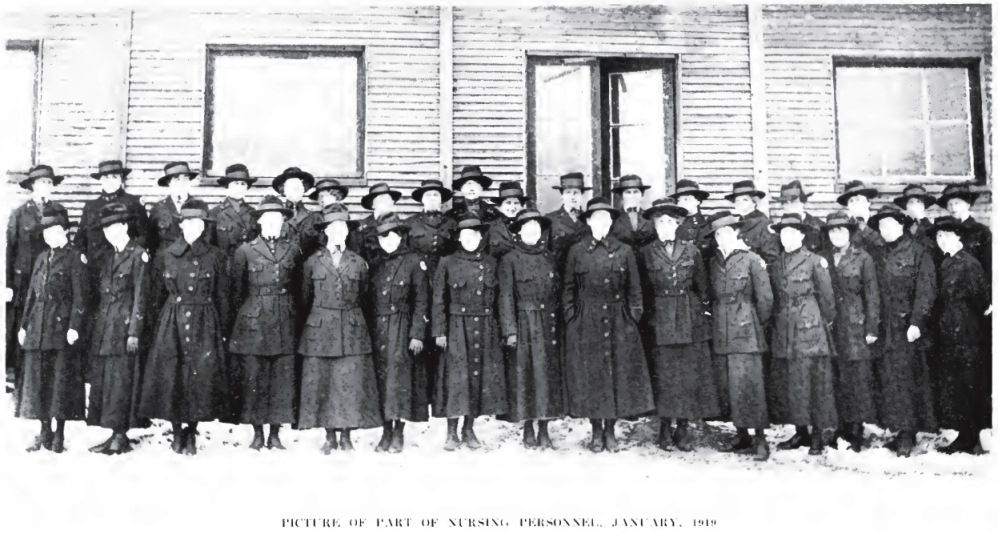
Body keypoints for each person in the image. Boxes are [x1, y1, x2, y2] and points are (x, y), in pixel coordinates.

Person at [138, 199, 230, 456]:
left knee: (199, 377)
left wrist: (222, 328)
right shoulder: (165, 255)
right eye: (188, 222)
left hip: (205, 320)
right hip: (172, 320)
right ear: (181, 226)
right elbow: (155, 295)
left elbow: (223, 294)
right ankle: (177, 432)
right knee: (173, 376)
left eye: (198, 223)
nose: (193, 227)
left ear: (204, 227)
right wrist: (156, 327)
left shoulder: (215, 256)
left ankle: (191, 432)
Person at [562, 198, 654, 453]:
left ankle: (611, 430)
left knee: (616, 376)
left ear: (611, 222)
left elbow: (635, 290)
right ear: (589, 222)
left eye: (606, 218)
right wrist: (572, 317)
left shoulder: (624, 251)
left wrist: (632, 316)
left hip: (618, 320)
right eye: (596, 218)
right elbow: (568, 288)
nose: (601, 223)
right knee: (592, 377)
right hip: (586, 320)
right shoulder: (577, 251)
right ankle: (596, 431)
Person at [296, 206, 382, 453]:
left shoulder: (358, 262)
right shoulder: (312, 262)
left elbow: (365, 298)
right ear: (325, 232)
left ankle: (346, 436)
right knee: (324, 384)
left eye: (342, 228)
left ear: (347, 233)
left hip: (352, 330)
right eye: (332, 228)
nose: (337, 233)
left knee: (349, 385)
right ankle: (329, 436)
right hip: (320, 331)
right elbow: (304, 299)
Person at [637, 199, 718, 452]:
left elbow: (702, 286)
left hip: (688, 318)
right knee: (664, 375)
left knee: (685, 376)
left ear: (677, 224)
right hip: (659, 319)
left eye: (669, 222)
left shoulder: (691, 251)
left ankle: (682, 427)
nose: (664, 227)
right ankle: (664, 426)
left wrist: (702, 315)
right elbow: (642, 290)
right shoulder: (646, 252)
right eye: (660, 222)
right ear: (654, 226)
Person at [228, 196, 300, 450]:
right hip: (253, 321)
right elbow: (236, 292)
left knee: (281, 377)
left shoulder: (293, 249)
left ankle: (276, 433)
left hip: (284, 319)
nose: (272, 223)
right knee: (255, 378)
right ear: (259, 222)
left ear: (282, 223)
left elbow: (299, 288)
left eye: (277, 219)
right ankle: (257, 433)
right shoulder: (245, 251)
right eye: (267, 219)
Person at [431, 214, 507, 450]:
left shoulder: (491, 263)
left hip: (485, 327)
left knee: (477, 379)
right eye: (465, 235)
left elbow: (500, 300)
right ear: (459, 238)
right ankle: (451, 432)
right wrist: (439, 331)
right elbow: (438, 300)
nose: (470, 239)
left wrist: (502, 330)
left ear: (480, 237)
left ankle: (469, 429)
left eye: (474, 235)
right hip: (456, 327)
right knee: (456, 380)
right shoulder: (447, 262)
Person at [15, 203, 87, 453]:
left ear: (65, 232)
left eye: (56, 231)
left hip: (60, 326)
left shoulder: (75, 257)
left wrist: (74, 326)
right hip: (38, 325)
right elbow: (31, 296)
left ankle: (59, 434)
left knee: (60, 381)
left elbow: (81, 297)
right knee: (40, 381)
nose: (51, 236)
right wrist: (24, 325)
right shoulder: (41, 258)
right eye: (47, 232)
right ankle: (44, 430)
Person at [867, 203, 937, 457]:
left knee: (907, 381)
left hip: (907, 328)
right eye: (881, 226)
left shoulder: (919, 252)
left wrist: (917, 322)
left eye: (890, 225)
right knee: (890, 379)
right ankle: (898, 431)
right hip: (885, 329)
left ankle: (908, 434)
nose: (885, 230)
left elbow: (926, 291)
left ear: (901, 225)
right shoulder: (877, 254)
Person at [768, 213, 838, 456]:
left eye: (792, 233)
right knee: (793, 384)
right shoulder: (776, 265)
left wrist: (821, 322)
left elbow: (827, 299)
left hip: (810, 328)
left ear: (801, 235)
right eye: (783, 233)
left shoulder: (815, 261)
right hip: (785, 329)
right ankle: (801, 432)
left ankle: (818, 436)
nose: (787, 237)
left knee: (815, 384)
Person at [85, 203, 151, 455]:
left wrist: (134, 331)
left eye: (116, 226)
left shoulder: (138, 255)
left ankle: (121, 435)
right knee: (107, 382)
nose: (112, 232)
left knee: (122, 382)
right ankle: (113, 432)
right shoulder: (108, 256)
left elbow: (140, 297)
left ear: (125, 226)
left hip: (124, 330)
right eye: (107, 229)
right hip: (105, 329)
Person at [708, 211, 773, 461]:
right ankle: (741, 434)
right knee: (730, 387)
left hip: (747, 332)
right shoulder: (714, 262)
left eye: (725, 233)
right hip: (722, 331)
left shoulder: (752, 259)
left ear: (736, 232)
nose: (721, 238)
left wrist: (755, 324)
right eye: (717, 234)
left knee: (750, 387)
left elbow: (765, 299)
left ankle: (760, 440)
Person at [498, 209, 565, 449]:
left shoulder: (549, 257)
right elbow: (505, 296)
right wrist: (510, 330)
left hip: (548, 323)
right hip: (524, 323)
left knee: (545, 377)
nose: (532, 232)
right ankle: (527, 426)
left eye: (536, 228)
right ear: (519, 232)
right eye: (527, 228)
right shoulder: (509, 260)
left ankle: (544, 428)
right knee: (524, 376)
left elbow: (557, 292)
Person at [367, 214, 430, 453]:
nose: (388, 241)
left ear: (400, 237)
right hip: (378, 328)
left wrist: (417, 334)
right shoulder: (375, 263)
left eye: (392, 236)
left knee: (400, 380)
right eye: (383, 237)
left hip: (403, 328)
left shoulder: (414, 262)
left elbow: (421, 300)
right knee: (382, 380)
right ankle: (385, 431)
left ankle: (398, 432)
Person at [928, 216, 990, 455]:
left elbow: (982, 303)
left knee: (969, 385)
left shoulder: (969, 264)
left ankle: (971, 437)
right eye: (938, 236)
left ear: (958, 237)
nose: (942, 240)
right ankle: (964, 435)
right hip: (949, 334)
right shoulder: (946, 263)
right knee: (957, 386)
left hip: (967, 335)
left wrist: (970, 330)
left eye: (946, 236)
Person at [821, 211, 880, 453]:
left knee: (857, 378)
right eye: (833, 231)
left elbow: (872, 293)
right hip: (832, 327)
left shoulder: (862, 257)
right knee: (838, 378)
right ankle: (840, 426)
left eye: (842, 230)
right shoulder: (823, 257)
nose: (837, 235)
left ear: (850, 233)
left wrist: (872, 327)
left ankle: (856, 430)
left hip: (855, 325)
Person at [6, 165, 67, 395]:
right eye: (41, 183)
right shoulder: (19, 214)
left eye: (49, 183)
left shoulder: (59, 210)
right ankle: (21, 381)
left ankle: (45, 383)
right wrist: (8, 284)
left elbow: (64, 245)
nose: (45, 187)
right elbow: (9, 251)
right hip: (24, 283)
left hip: (51, 280)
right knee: (23, 326)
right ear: (32, 186)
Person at [406, 179, 458, 421]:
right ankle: (420, 399)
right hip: (419, 286)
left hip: (446, 289)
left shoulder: (452, 224)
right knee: (419, 341)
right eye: (428, 196)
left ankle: (441, 398)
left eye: (436, 196)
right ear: (421, 200)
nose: (432, 200)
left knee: (442, 341)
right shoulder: (410, 225)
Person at [75, 160, 150, 267]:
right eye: (106, 177)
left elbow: (144, 235)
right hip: (97, 265)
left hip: (126, 265)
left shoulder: (134, 203)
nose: (110, 181)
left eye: (114, 177)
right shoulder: (91, 206)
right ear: (100, 179)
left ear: (121, 178)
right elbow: (80, 238)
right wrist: (83, 254)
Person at [208, 164, 258, 271]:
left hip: (248, 267)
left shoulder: (254, 213)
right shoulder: (215, 213)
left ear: (247, 187)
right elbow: (209, 245)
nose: (239, 187)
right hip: (223, 267)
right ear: (228, 185)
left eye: (243, 184)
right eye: (236, 183)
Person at [936, 182, 991, 280]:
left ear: (968, 204)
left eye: (957, 203)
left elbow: (988, 265)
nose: (952, 207)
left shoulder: (981, 231)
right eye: (950, 204)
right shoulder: (942, 231)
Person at [148, 161, 199, 259]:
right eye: (176, 179)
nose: (181, 183)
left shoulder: (198, 206)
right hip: (166, 263)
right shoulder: (158, 209)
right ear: (168, 182)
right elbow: (151, 241)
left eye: (185, 178)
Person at [543, 172, 590, 270]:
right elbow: (544, 253)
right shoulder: (550, 219)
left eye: (576, 193)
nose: (572, 196)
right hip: (560, 273)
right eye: (568, 192)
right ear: (562, 196)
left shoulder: (589, 219)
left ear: (581, 195)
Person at [273, 166, 322, 259]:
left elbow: (321, 246)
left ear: (304, 189)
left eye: (298, 186)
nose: (295, 189)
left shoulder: (315, 217)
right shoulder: (276, 216)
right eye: (290, 186)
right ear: (283, 190)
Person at [724, 180, 778, 265]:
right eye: (737, 200)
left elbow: (771, 257)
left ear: (754, 202)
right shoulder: (737, 223)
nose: (740, 203)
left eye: (745, 200)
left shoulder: (764, 224)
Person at [354, 182, 403, 260]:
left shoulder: (401, 224)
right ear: (372, 205)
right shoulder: (363, 226)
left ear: (392, 202)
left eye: (387, 198)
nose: (384, 202)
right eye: (380, 199)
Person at [837, 180, 883, 260]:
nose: (855, 203)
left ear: (868, 202)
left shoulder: (881, 223)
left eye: (858, 199)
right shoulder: (843, 228)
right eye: (851, 201)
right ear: (848, 206)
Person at [776, 181, 824, 254]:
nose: (789, 206)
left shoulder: (818, 226)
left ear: (803, 202)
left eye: (793, 201)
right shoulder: (779, 229)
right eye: (785, 202)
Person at [893, 184, 938, 261]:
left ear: (924, 205)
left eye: (919, 201)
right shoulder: (899, 227)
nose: (915, 205)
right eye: (911, 202)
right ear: (906, 206)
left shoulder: (933, 228)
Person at [608, 174, 655, 248]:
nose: (632, 196)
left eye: (636, 192)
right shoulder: (613, 218)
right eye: (628, 192)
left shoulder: (650, 217)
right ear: (621, 195)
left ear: (641, 194)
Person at [487, 181, 530, 260]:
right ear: (500, 206)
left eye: (516, 203)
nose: (512, 207)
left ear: (521, 206)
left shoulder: (529, 226)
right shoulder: (489, 227)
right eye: (508, 203)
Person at [669, 179, 712, 258]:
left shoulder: (704, 225)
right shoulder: (673, 222)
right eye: (679, 200)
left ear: (698, 201)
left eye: (686, 199)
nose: (681, 203)